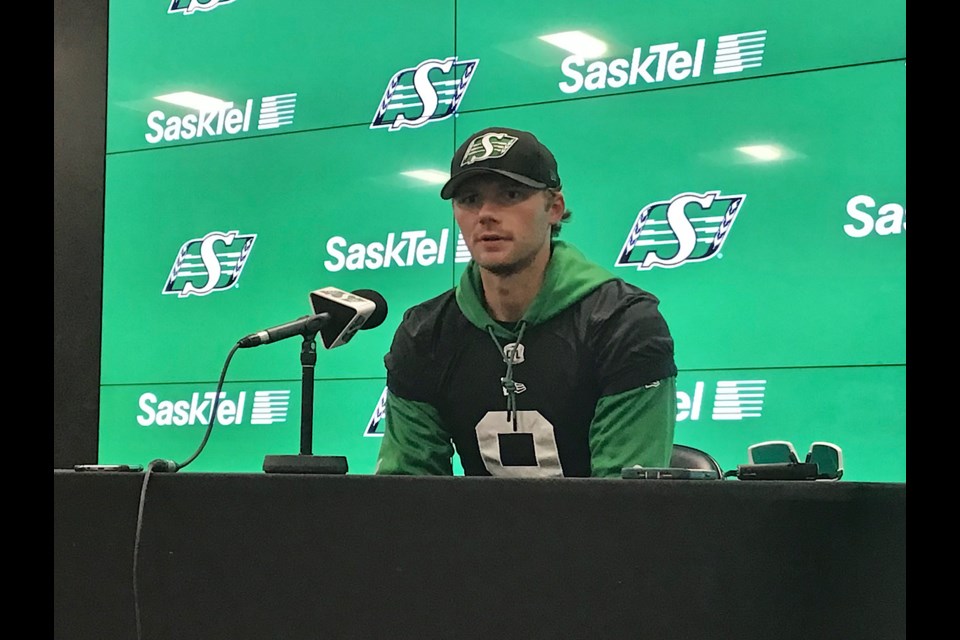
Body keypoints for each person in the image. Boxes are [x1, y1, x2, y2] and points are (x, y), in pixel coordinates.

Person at [375, 126, 677, 477]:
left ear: (555, 208)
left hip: (595, 531)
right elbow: (406, 495)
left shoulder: (623, 323)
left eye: (511, 194)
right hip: (471, 533)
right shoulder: (425, 333)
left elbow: (626, 506)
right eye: (470, 199)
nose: (486, 213)